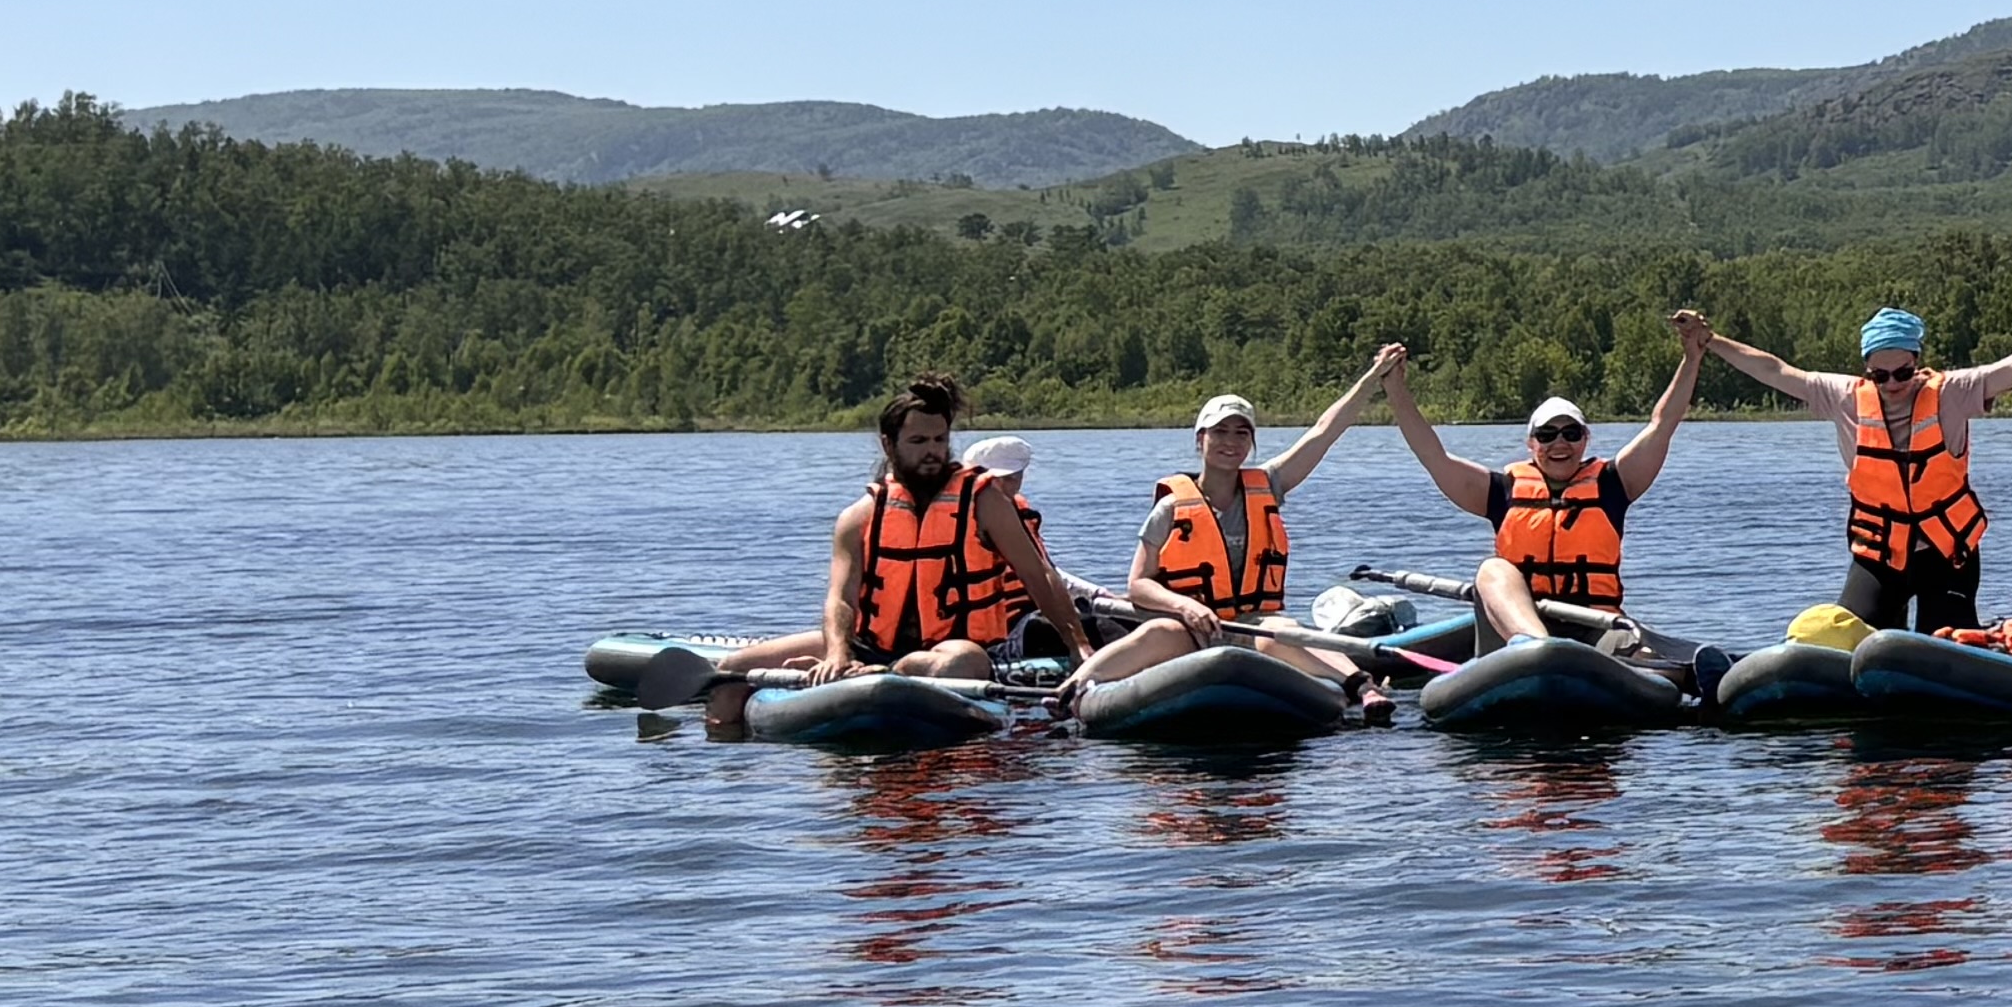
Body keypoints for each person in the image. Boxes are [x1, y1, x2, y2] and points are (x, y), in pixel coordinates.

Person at [1686, 292, 2012, 630]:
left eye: (1902, 373)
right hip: (1879, 554)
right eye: (1880, 375)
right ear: (1867, 369)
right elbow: (1777, 371)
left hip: (1946, 553)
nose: (1892, 384)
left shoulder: (1953, 393)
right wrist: (1711, 342)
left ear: (1917, 362)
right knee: (1845, 635)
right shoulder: (1845, 397)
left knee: (1946, 640)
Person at [703, 372, 1088, 688]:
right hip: (872, 645)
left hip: (958, 648)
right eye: (918, 441)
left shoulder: (984, 501)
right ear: (890, 445)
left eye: (939, 440)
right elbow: (840, 598)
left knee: (962, 662)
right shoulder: (860, 516)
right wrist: (838, 652)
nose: (932, 451)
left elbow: (1039, 577)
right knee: (735, 667)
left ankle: (881, 678)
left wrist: (1078, 645)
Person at [1066, 351, 1403, 694]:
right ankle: (1075, 687)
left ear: (1251, 442)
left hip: (1254, 625)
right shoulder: (1170, 508)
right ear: (1201, 439)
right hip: (1191, 628)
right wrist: (1186, 605)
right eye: (1220, 431)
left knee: (1281, 630)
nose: (1231, 441)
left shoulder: (1268, 486)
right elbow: (1139, 584)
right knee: (1157, 633)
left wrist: (1374, 376)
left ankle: (1363, 688)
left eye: (1242, 433)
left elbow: (1323, 432)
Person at [1380, 332, 1708, 662]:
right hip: (1518, 635)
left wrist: (1691, 359)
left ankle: (1687, 673)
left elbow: (1662, 424)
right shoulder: (1500, 491)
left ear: (1585, 439)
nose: (1559, 443)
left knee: (1642, 655)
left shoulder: (1612, 484)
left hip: (1595, 626)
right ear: (1531, 444)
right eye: (1547, 435)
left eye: (1571, 433)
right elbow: (1431, 454)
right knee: (1492, 570)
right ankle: (1541, 649)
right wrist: (1395, 389)